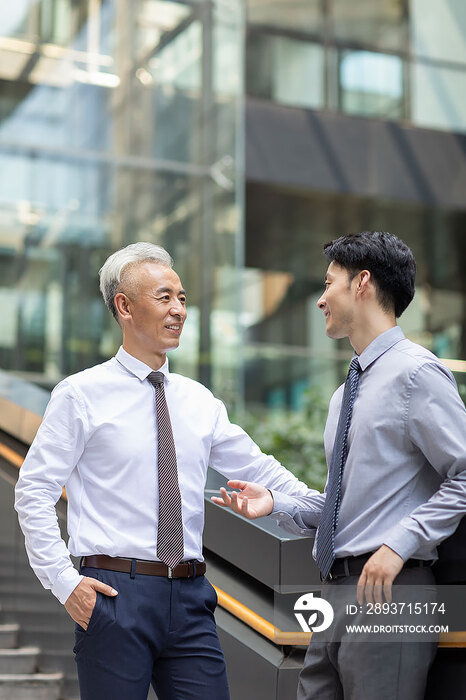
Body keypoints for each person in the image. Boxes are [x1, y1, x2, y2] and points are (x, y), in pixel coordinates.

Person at [14, 242, 319, 700]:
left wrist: (314, 506)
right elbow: (33, 491)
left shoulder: (199, 401)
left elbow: (261, 469)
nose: (178, 309)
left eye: (182, 298)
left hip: (192, 596)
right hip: (114, 596)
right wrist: (65, 583)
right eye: (164, 298)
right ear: (124, 306)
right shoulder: (81, 395)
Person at [213, 231, 466, 700]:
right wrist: (276, 501)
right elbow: (342, 505)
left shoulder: (417, 373)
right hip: (334, 593)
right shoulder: (344, 393)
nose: (320, 299)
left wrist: (400, 544)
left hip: (393, 590)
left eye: (329, 283)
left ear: (362, 283)